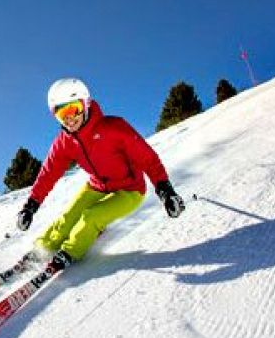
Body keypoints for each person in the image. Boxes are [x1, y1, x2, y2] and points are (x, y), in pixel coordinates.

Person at [17, 78, 185, 272]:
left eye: (73, 109)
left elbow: (148, 159)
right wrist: (31, 205)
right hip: (97, 185)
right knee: (69, 215)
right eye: (61, 114)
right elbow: (48, 174)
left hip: (129, 190)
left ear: (85, 103)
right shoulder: (64, 142)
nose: (69, 118)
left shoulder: (114, 128)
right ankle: (43, 249)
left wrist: (166, 190)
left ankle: (71, 252)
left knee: (92, 216)